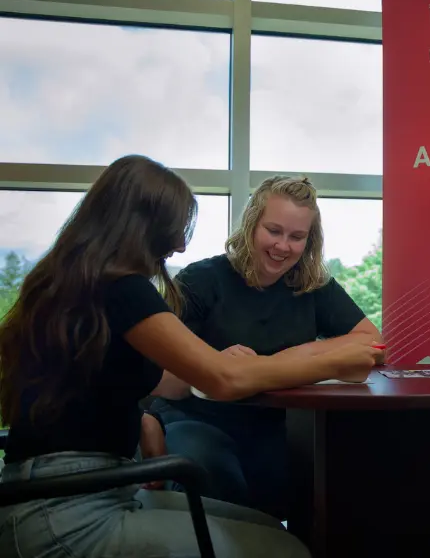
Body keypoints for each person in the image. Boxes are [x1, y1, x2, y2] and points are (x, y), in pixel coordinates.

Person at [0, 156, 383, 558]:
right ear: (141, 225)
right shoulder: (124, 290)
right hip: (67, 509)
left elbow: (164, 381)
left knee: (269, 527)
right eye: (177, 228)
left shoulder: (71, 283)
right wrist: (333, 362)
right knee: (287, 551)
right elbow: (223, 381)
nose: (180, 244)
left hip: (80, 488)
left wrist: (150, 413)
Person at [142, 174, 384, 519]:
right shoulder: (201, 279)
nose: (283, 246)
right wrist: (211, 366)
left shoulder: (313, 286)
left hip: (278, 424)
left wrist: (285, 360)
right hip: (199, 420)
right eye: (273, 231)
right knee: (215, 474)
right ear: (252, 224)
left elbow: (372, 343)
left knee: (338, 477)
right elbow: (157, 376)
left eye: (296, 236)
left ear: (309, 240)